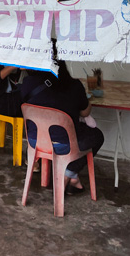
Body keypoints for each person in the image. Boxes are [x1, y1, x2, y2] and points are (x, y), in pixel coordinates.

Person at [19, 46, 104, 194]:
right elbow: (85, 113)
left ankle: (73, 179)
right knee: (97, 136)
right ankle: (69, 174)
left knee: (73, 135)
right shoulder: (74, 85)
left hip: (35, 141)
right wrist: (86, 99)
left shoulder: (28, 83)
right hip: (65, 145)